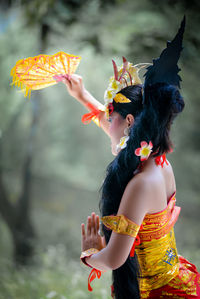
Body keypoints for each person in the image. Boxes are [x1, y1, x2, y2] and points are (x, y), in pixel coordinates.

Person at [55, 17, 200, 299]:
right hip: (177, 281)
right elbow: (118, 134)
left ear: (130, 121)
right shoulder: (156, 158)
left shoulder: (141, 184)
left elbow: (113, 260)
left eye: (112, 119)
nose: (107, 125)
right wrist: (83, 96)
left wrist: (89, 253)